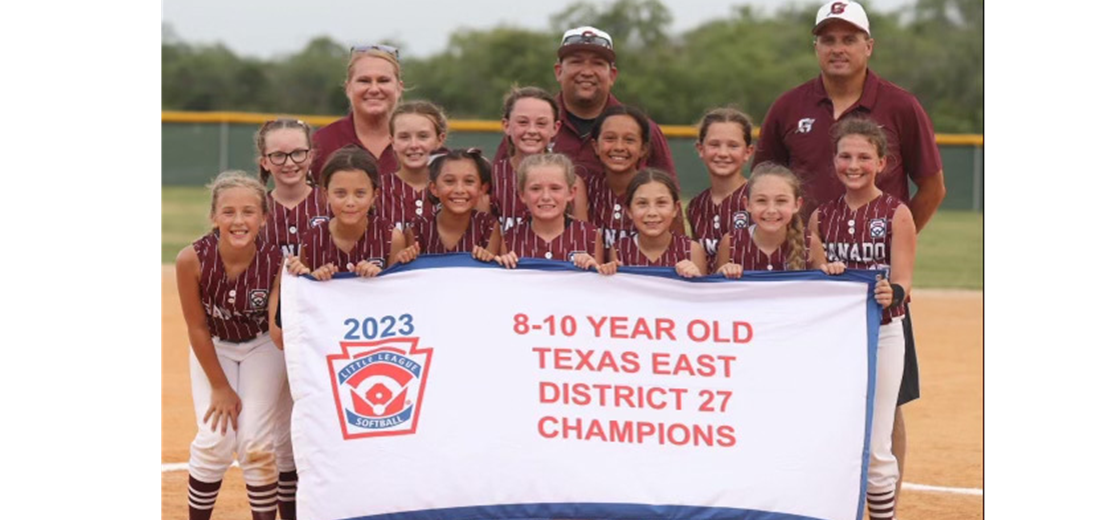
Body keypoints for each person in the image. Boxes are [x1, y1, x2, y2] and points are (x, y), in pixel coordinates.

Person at [753, 1, 946, 488]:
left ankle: (886, 504)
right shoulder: (789, 105)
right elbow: (762, 180)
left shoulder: (900, 105)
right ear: (816, 46)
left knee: (887, 400)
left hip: (874, 284)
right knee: (800, 389)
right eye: (828, 39)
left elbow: (933, 187)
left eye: (848, 38)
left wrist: (888, 245)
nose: (838, 48)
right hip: (804, 277)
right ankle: (801, 494)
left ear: (868, 46)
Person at [810, 117, 915, 520]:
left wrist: (895, 291)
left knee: (875, 442)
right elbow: (815, 277)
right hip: (837, 339)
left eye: (864, 157)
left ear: (882, 163)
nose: (853, 164)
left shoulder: (895, 213)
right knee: (834, 432)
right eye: (845, 156)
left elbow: (905, 279)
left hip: (884, 331)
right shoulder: (821, 215)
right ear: (833, 160)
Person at [175, 171, 285, 520]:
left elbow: (276, 331)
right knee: (214, 440)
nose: (239, 221)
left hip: (262, 348)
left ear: (264, 217)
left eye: (249, 211)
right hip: (215, 347)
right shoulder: (191, 258)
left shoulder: (276, 261)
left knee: (255, 443)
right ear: (214, 216)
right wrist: (220, 387)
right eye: (229, 212)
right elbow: (196, 327)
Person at [493, 27, 680, 197]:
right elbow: (498, 189)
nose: (587, 71)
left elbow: (670, 201)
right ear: (558, 71)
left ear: (612, 75)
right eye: (576, 62)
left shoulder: (642, 128)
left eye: (598, 63)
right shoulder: (530, 127)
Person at [254, 117, 328, 519]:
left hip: (321, 332)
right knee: (280, 437)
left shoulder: (331, 200)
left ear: (312, 155)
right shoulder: (255, 206)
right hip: (269, 335)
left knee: (321, 430)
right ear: (264, 161)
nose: (289, 162)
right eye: (278, 155)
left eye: (298, 152)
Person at [286, 145, 408, 280]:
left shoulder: (391, 238)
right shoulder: (312, 240)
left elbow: (398, 290)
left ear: (374, 195)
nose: (350, 202)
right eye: (340, 193)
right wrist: (315, 279)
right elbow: (306, 293)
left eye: (360, 193)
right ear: (326, 195)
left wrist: (379, 278)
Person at [491, 86, 588, 233]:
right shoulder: (491, 176)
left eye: (541, 123)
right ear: (507, 125)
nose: (531, 131)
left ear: (555, 128)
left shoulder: (571, 180)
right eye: (523, 122)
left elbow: (583, 238)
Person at [586, 105, 684, 249]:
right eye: (610, 138)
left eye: (629, 140)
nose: (619, 147)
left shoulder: (660, 193)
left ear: (643, 149)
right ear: (595, 146)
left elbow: (680, 249)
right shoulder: (585, 190)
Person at [310, 45, 404, 184]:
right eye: (364, 81)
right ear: (348, 88)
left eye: (383, 80)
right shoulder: (322, 143)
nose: (374, 89)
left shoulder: (421, 142)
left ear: (399, 88)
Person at [495, 153, 603, 270]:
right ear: (522, 195)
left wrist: (594, 267)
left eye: (555, 188)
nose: (546, 196)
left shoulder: (589, 235)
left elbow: (598, 285)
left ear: (571, 193)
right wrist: (505, 265)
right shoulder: (510, 238)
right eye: (535, 189)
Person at [600, 168, 706, 278]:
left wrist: (696, 277)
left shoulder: (691, 250)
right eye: (642, 203)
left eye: (661, 203)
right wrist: (608, 274)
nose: (652, 212)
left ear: (675, 208)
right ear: (629, 210)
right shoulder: (620, 249)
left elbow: (702, 293)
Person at [686, 107, 757, 268]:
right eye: (714, 145)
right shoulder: (696, 206)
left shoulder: (760, 200)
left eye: (733, 146)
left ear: (748, 152)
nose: (723, 153)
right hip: (707, 291)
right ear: (700, 149)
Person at [715, 162, 811, 277]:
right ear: (747, 204)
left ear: (797, 204)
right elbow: (716, 289)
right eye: (761, 201)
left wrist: (832, 270)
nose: (771, 210)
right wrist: (725, 271)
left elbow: (825, 290)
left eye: (781, 201)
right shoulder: (731, 242)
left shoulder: (810, 242)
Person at [409, 148, 501, 260]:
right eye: (449, 181)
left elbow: (492, 273)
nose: (459, 190)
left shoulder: (489, 226)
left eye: (469, 181)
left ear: (482, 189)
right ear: (434, 188)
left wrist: (488, 259)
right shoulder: (418, 228)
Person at [378, 100, 449, 231]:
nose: (414, 145)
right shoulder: (376, 191)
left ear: (440, 139)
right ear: (392, 142)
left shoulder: (454, 189)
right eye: (404, 137)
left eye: (423, 136)